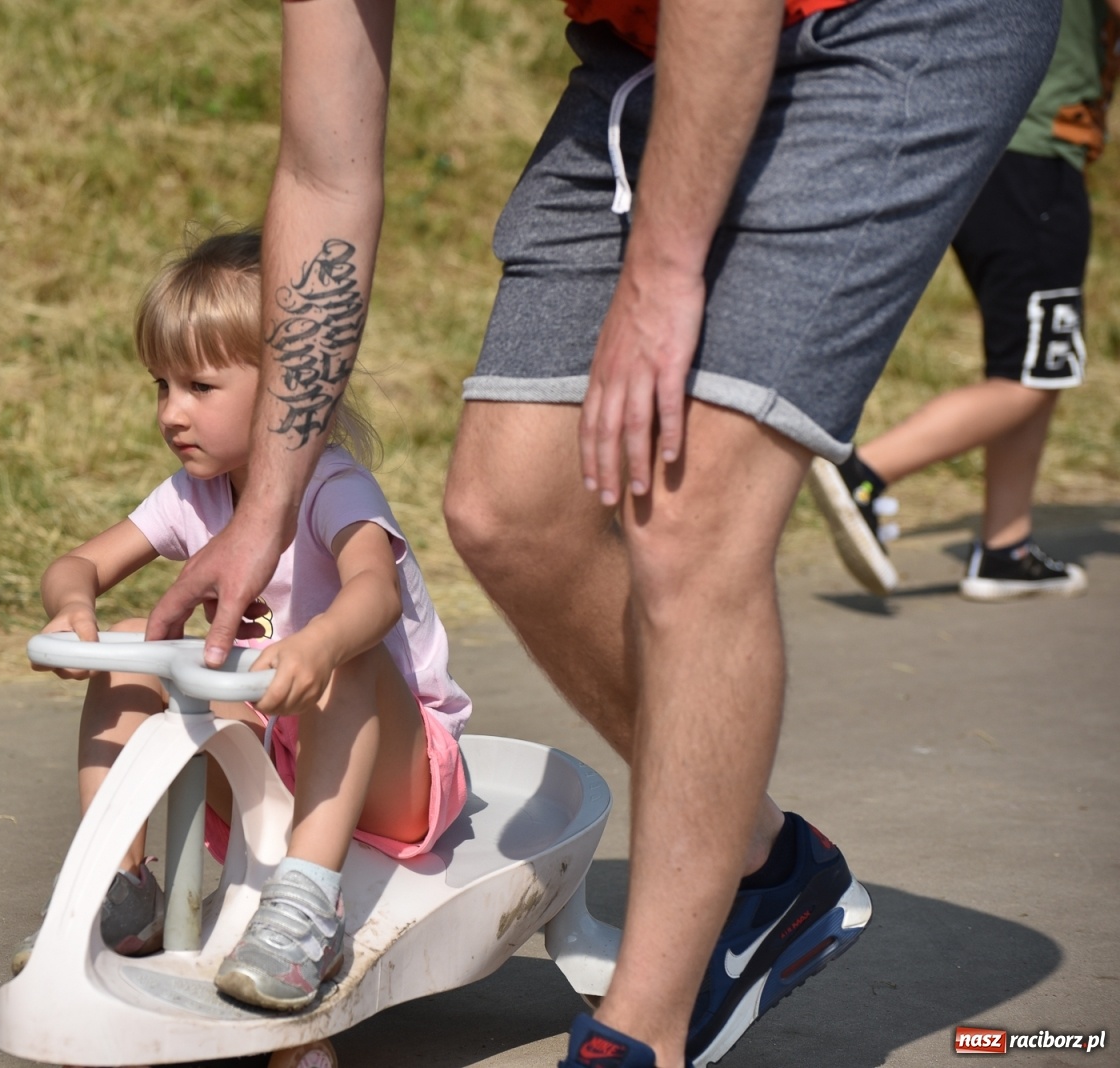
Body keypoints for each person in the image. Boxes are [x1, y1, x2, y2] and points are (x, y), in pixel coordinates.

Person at [145, 0, 1059, 1064]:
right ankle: (766, 866)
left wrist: (662, 276)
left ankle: (644, 1032)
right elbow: (322, 175)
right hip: (652, 48)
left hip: (899, 24)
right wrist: (264, 509)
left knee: (685, 511)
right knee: (509, 509)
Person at [19, 229, 471, 1013]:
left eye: (199, 386)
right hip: (271, 746)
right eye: (160, 386)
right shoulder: (194, 495)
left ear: (286, 392)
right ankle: (118, 885)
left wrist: (321, 641)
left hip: (396, 770)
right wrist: (72, 605)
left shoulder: (332, 484)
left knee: (348, 651)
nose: (172, 412)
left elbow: (376, 592)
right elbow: (80, 563)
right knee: (132, 641)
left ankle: (307, 909)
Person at [809, 0, 1116, 602]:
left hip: (986, 147)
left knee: (1029, 365)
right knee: (1033, 374)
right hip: (1036, 156)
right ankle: (864, 475)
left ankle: (1007, 546)